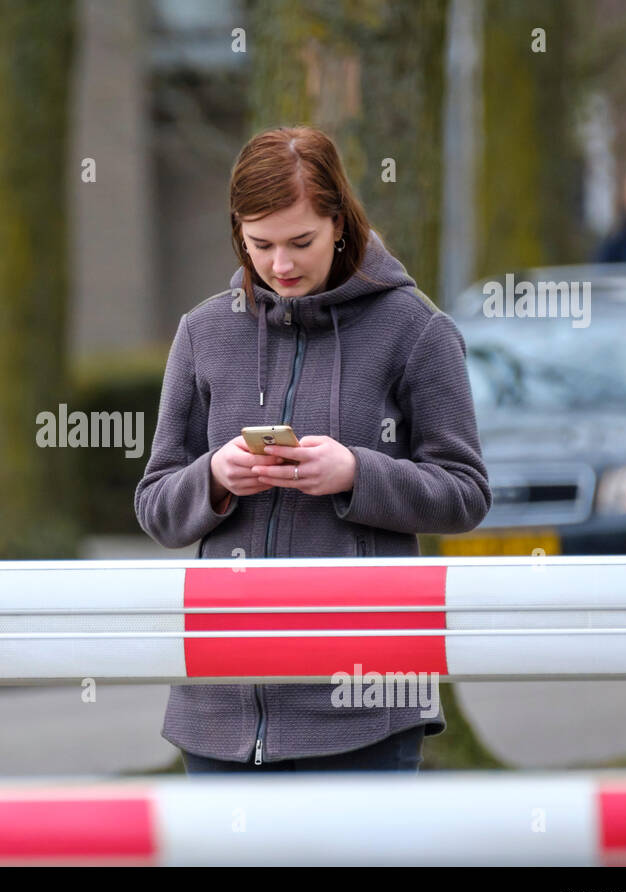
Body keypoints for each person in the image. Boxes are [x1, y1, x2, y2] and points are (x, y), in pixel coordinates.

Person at [133, 125, 492, 774]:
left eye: (301, 241)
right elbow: (156, 505)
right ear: (237, 232)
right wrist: (214, 477)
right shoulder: (203, 333)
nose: (281, 265)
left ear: (339, 223)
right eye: (260, 244)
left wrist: (357, 473)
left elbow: (465, 493)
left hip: (365, 710)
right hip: (219, 710)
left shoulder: (416, 331)